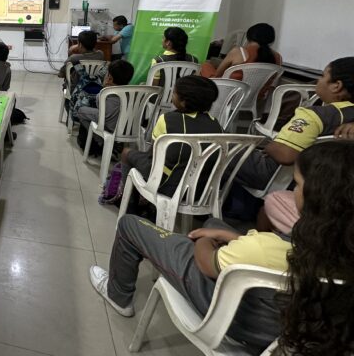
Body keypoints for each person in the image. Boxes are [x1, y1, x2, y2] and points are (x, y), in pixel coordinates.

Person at [90, 141, 354, 356]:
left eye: (296, 184)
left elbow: (207, 262)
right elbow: (259, 249)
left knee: (130, 225)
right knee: (216, 222)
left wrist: (205, 238)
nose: (293, 191)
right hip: (283, 333)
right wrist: (227, 234)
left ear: (316, 196)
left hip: (231, 318)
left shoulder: (266, 248)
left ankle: (118, 295)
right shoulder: (328, 251)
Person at [239, 57, 354, 233]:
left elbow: (286, 154)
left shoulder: (314, 115)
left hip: (271, 174)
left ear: (336, 86)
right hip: (318, 182)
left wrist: (268, 145)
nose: (318, 80)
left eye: (323, 76)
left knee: (219, 150)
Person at [121, 75, 221, 196]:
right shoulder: (216, 125)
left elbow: (152, 155)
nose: (172, 96)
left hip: (168, 187)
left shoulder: (167, 119)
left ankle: (127, 199)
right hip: (200, 191)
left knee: (127, 153)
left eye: (174, 93)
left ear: (183, 102)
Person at [76, 59, 135, 147]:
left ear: (110, 78)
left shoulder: (106, 92)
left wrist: (105, 85)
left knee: (80, 111)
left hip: (109, 126)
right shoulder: (134, 90)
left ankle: (101, 141)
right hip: (128, 128)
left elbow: (100, 106)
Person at [202, 23, 282, 80]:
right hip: (257, 99)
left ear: (248, 36)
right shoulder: (278, 57)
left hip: (230, 95)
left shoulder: (239, 51)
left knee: (205, 66)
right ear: (271, 40)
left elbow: (217, 74)